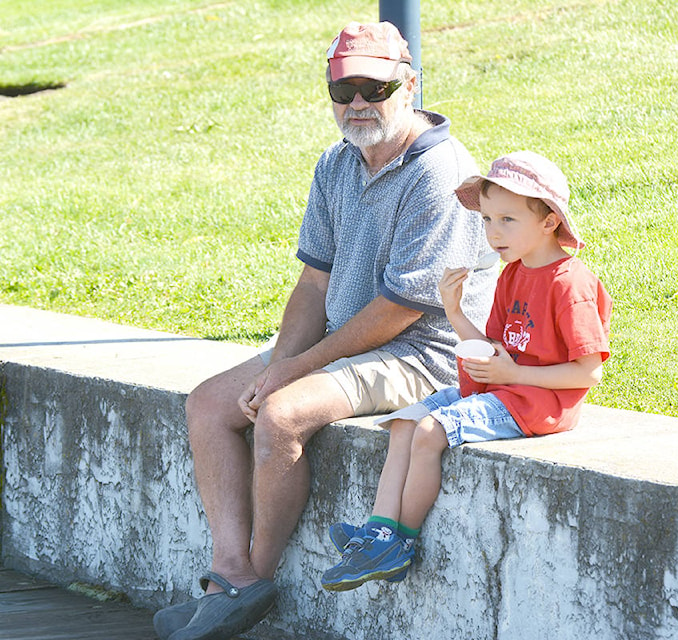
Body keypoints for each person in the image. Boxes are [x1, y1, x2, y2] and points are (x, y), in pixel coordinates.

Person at [153, 21, 496, 640]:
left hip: (425, 353)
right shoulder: (338, 163)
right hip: (351, 340)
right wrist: (282, 359)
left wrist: (291, 372)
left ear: (409, 83)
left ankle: (253, 579)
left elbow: (399, 310)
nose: (358, 103)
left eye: (374, 85)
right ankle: (228, 575)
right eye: (344, 90)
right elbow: (314, 284)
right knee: (209, 403)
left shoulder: (441, 172)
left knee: (280, 414)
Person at [319, 150, 613, 591]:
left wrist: (514, 376)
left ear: (549, 221)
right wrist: (454, 311)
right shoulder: (513, 275)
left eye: (507, 220)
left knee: (429, 431)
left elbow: (588, 373)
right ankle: (377, 533)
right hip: (505, 391)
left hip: (536, 405)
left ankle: (401, 542)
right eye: (488, 220)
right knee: (405, 421)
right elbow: (493, 348)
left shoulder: (569, 283)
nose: (493, 233)